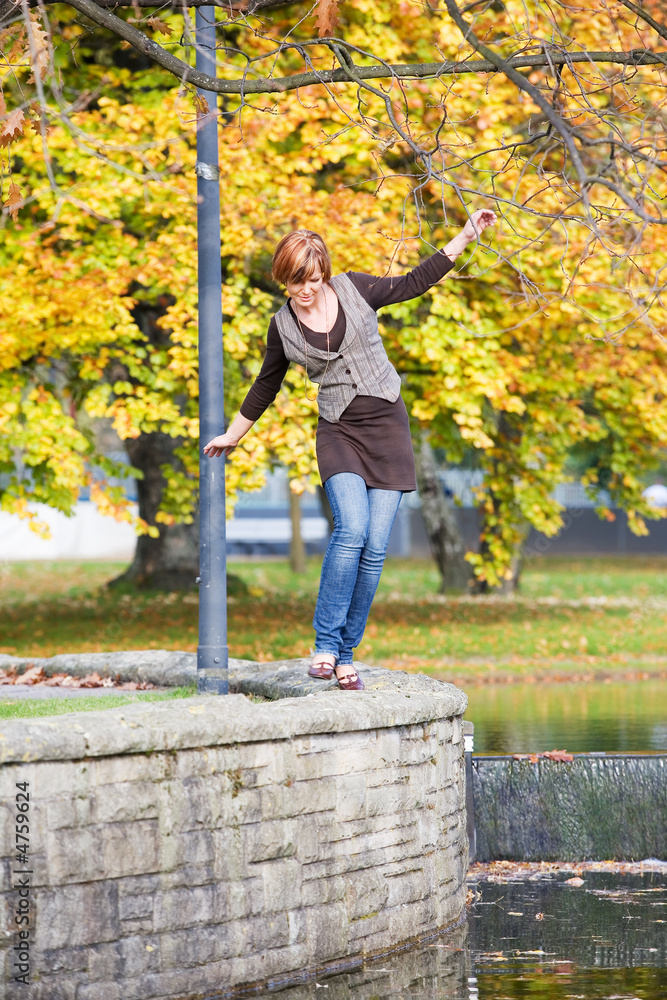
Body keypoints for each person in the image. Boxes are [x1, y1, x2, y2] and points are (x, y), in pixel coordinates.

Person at [204, 209, 497, 690]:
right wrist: (234, 433)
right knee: (351, 530)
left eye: (314, 280)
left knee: (375, 549)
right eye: (297, 282)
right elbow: (265, 385)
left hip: (387, 426)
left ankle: (345, 654)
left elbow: (413, 282)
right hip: (338, 430)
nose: (306, 290)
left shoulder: (356, 289)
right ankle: (323, 645)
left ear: (323, 273)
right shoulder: (281, 327)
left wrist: (466, 235)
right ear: (285, 278)